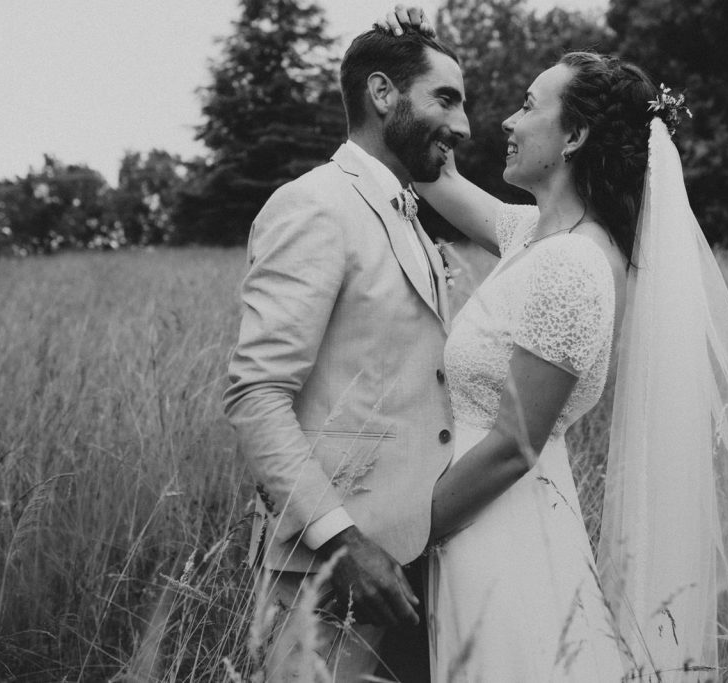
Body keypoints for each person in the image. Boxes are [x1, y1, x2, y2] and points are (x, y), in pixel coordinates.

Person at [385, 9, 728, 682]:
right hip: (476, 524)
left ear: (573, 134)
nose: (507, 123)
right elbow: (434, 176)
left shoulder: (573, 265)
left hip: (497, 537)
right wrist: (416, 65)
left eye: (526, 105)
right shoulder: (533, 234)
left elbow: (515, 445)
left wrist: (399, 537)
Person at [222, 16, 468, 682]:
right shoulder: (313, 206)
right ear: (382, 94)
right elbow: (256, 393)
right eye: (445, 98)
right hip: (327, 575)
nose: (465, 124)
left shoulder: (411, 217)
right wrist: (341, 538)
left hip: (416, 568)